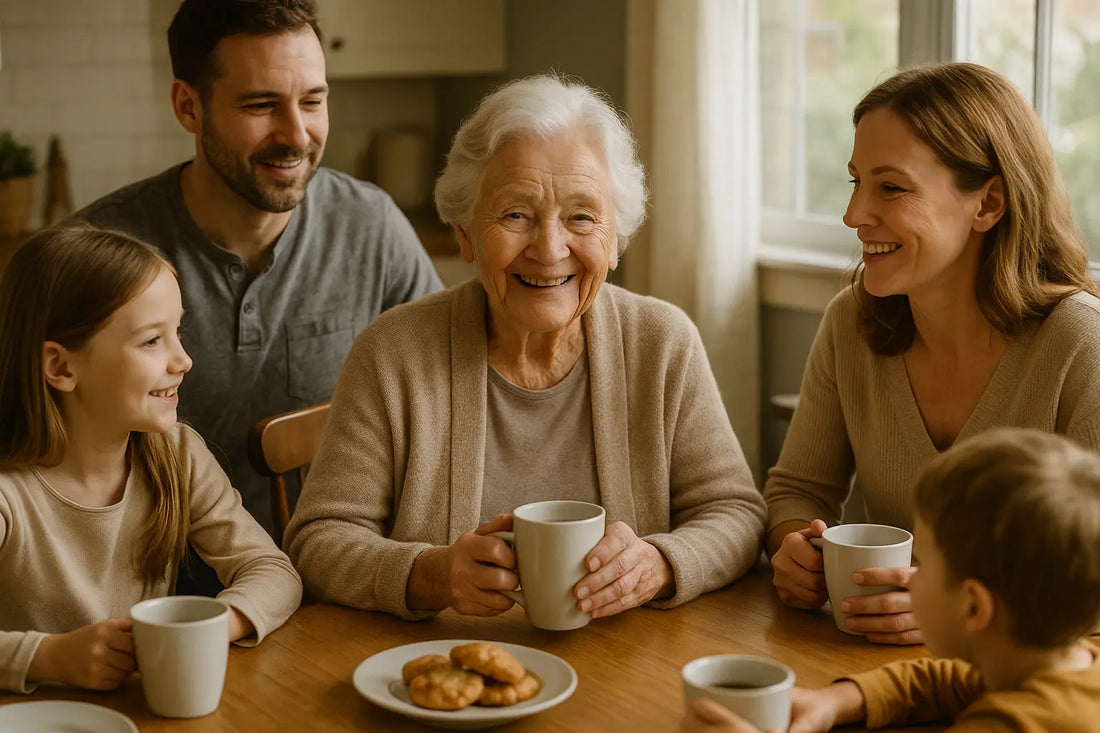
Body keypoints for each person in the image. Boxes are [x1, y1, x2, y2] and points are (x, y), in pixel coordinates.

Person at [284, 74, 766, 620]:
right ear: (466, 233)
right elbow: (319, 540)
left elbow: (735, 513)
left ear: (615, 241)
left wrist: (660, 563)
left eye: (581, 217)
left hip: (628, 671)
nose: (549, 248)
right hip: (443, 673)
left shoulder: (662, 343)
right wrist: (431, 574)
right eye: (516, 215)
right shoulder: (393, 353)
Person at [69, 0, 442, 539]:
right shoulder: (97, 252)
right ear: (188, 106)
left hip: (336, 576)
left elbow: (445, 400)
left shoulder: (369, 226)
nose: (296, 135)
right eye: (262, 105)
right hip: (150, 590)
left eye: (312, 101)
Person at [765, 62, 1100, 645]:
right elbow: (798, 488)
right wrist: (797, 549)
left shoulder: (1081, 347)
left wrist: (957, 611)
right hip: (871, 670)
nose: (853, 216)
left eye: (890, 187)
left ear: (988, 203)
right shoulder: (851, 323)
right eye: (855, 182)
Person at [0, 227, 302, 694]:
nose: (183, 360)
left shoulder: (176, 455)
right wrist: (49, 657)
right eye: (150, 342)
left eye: (176, 332)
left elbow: (272, 571)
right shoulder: (8, 493)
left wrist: (208, 629)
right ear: (61, 367)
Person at [683, 428, 1100, 732]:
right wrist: (833, 701)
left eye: (926, 560)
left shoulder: (1008, 724)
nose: (912, 576)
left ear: (973, 606)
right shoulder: (1061, 662)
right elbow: (943, 680)